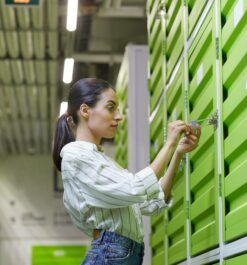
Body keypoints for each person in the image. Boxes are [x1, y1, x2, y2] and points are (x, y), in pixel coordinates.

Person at [52, 78, 200, 265]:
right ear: (85, 110)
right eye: (111, 107)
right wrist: (168, 144)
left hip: (120, 255)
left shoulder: (103, 161)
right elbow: (135, 188)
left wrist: (177, 153)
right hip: (111, 255)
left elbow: (152, 202)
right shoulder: (76, 157)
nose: (119, 116)